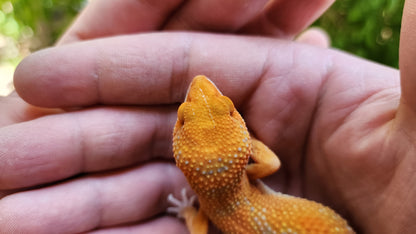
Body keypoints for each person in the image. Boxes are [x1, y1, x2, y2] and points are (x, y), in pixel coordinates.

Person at [0, 0, 415, 233]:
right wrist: (243, 149)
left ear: (184, 162)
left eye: (226, 108)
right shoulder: (236, 184)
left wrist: (188, 211)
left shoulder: (209, 210)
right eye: (186, 115)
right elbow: (270, 163)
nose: (201, 86)